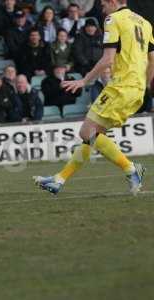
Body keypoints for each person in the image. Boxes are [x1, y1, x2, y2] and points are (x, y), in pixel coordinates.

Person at [34, 0, 154, 196]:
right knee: (94, 135)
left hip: (120, 87)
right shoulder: (145, 22)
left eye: (103, 4)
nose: (102, 8)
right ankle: (59, 180)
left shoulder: (113, 19)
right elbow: (152, 60)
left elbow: (107, 59)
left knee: (86, 132)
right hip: (137, 90)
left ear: (113, 2)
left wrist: (84, 81)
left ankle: (132, 169)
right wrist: (146, 87)